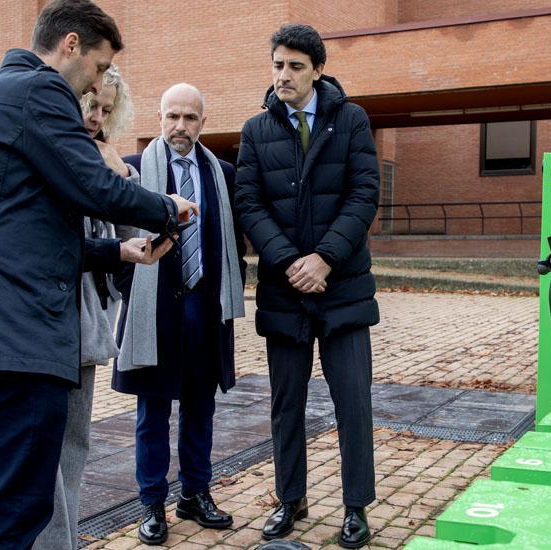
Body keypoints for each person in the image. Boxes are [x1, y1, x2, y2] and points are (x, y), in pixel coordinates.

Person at [0, 1, 196, 548]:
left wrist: (118, 254)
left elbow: (25, 235)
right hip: (17, 333)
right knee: (14, 512)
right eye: (98, 68)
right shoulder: (39, 90)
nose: (94, 88)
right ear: (70, 45)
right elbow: (91, 185)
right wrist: (167, 207)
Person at [234, 23, 380, 549]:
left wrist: (324, 259)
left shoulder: (351, 120)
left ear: (318, 69)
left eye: (295, 66)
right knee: (285, 402)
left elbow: (364, 194)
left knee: (352, 401)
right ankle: (290, 498)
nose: (283, 75)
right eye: (277, 64)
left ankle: (355, 506)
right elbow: (249, 203)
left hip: (343, 290)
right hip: (284, 290)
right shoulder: (256, 130)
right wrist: (293, 261)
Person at [113, 83, 246, 546]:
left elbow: (236, 244)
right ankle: (151, 502)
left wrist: (231, 291)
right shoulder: (133, 171)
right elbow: (120, 243)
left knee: (200, 408)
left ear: (203, 123)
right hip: (155, 312)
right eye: (172, 116)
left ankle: (195, 493)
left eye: (189, 118)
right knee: (152, 413)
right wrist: (134, 290)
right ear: (159, 118)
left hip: (206, 310)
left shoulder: (221, 174)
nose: (180, 127)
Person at [33, 64, 160, 550]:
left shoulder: (102, 158)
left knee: (74, 445)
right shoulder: (48, 148)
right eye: (92, 105)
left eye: (107, 110)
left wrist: (123, 175)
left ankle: (61, 540)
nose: (96, 117)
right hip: (47, 320)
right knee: (47, 448)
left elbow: (133, 238)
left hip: (89, 324)